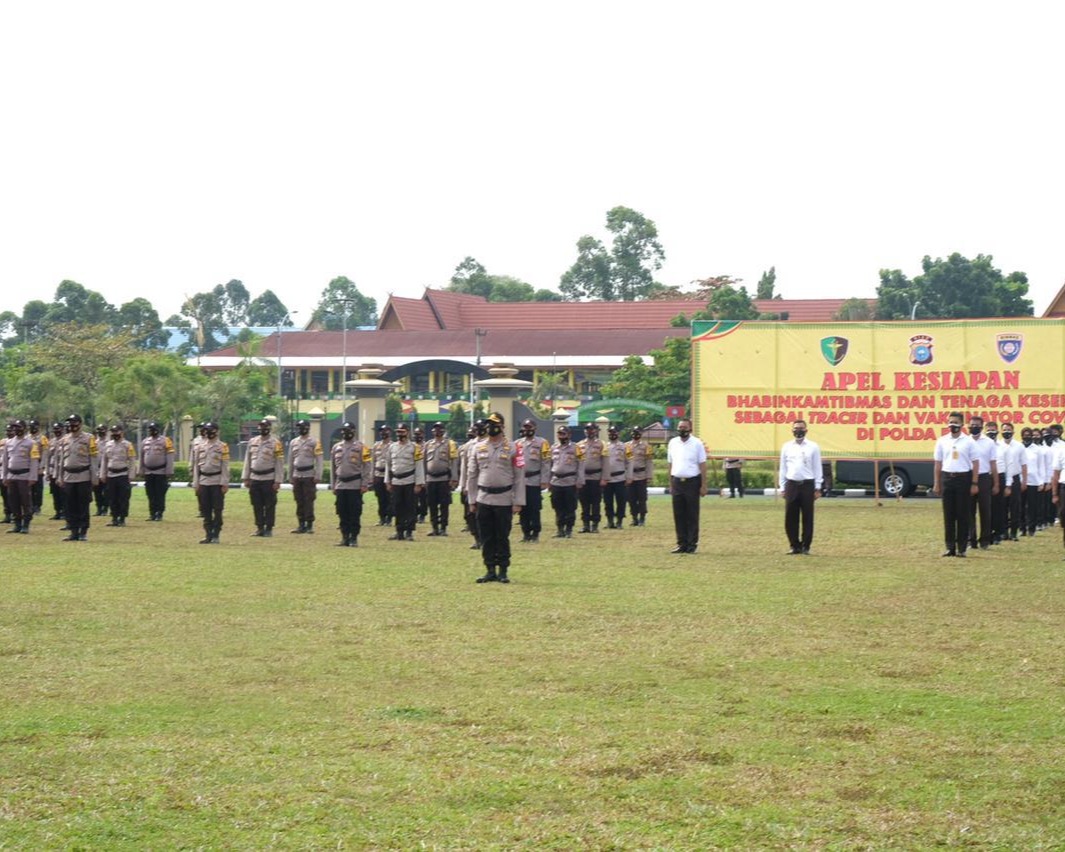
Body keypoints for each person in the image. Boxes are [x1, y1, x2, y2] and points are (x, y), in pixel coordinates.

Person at [465, 411, 524, 583]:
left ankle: (503, 570)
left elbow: (519, 476)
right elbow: (472, 475)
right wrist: (472, 500)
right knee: (486, 536)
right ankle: (490, 569)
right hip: (483, 498)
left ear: (502, 426)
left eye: (495, 424)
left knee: (502, 536)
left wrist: (518, 502)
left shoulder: (514, 448)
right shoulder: (478, 447)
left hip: (504, 498)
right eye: (488, 424)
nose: (491, 427)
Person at [932, 411, 978, 557]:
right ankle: (950, 547)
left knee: (962, 514)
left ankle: (962, 548)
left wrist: (974, 483)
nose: (953, 425)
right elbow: (938, 464)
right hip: (947, 478)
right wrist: (937, 483)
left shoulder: (969, 441)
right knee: (949, 514)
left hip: (963, 479)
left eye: (956, 422)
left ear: (962, 424)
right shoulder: (942, 441)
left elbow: (976, 463)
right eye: (950, 422)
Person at [778, 419, 823, 555]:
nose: (799, 430)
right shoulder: (786, 447)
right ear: (792, 430)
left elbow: (817, 468)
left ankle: (805, 546)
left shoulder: (813, 447)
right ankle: (794, 545)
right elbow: (783, 468)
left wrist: (817, 487)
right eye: (796, 428)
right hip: (791, 484)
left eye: (801, 428)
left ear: (806, 430)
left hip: (807, 485)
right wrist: (782, 486)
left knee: (807, 517)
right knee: (790, 517)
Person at [667, 419, 707, 554]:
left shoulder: (697, 443)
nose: (681, 429)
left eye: (684, 427)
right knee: (678, 514)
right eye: (679, 427)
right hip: (677, 482)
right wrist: (671, 484)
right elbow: (670, 464)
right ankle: (681, 543)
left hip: (692, 482)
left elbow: (702, 465)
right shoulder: (673, 443)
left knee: (692, 514)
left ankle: (691, 544)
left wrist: (703, 485)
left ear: (690, 429)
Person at [57, 414, 98, 542]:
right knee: (70, 506)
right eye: (69, 423)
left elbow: (94, 458)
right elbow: (61, 460)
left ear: (80, 423)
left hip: (83, 476)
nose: (72, 426)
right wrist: (59, 476)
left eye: (74, 423)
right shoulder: (64, 440)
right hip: (69, 476)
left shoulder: (89, 438)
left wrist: (94, 476)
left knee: (83, 505)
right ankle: (73, 532)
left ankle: (83, 532)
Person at [330, 421, 372, 547]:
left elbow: (367, 466)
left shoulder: (361, 447)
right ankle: (344, 537)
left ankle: (353, 537)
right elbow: (333, 468)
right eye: (343, 430)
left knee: (354, 512)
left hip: (355, 484)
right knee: (342, 511)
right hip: (341, 484)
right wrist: (333, 485)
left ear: (353, 431)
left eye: (347, 430)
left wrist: (364, 483)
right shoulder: (336, 447)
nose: (345, 433)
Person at [242, 418, 284, 537]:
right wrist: (246, 477)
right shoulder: (252, 441)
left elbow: (279, 462)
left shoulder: (276, 443)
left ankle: (269, 528)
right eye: (261, 426)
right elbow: (248, 460)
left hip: (269, 478)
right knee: (256, 504)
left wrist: (278, 480)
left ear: (269, 428)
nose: (263, 429)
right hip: (255, 477)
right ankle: (259, 527)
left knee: (270, 505)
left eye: (265, 427)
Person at [385, 423, 424, 541]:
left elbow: (419, 465)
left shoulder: (414, 447)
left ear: (407, 432)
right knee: (397, 506)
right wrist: (387, 481)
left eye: (402, 431)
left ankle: (409, 532)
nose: (399, 434)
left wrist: (419, 483)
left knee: (410, 507)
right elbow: (388, 465)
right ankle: (399, 531)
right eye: (398, 432)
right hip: (396, 481)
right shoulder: (392, 447)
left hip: (409, 481)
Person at [192, 421, 229, 544]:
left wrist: (224, 483)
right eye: (206, 430)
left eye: (211, 430)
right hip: (203, 481)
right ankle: (208, 534)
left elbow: (225, 466)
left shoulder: (222, 447)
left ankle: (216, 534)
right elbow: (196, 466)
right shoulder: (199, 446)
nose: (208, 432)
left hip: (216, 481)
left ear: (217, 431)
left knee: (217, 510)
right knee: (205, 510)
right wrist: (196, 483)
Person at [966, 415, 998, 550]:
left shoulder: (989, 442)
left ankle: (984, 540)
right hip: (967, 478)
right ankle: (970, 539)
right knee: (968, 511)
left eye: (977, 425)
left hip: (984, 478)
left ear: (981, 426)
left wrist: (996, 483)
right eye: (972, 425)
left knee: (985, 510)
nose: (974, 427)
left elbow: (993, 464)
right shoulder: (965, 441)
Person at [2, 419, 40, 534]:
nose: (16, 429)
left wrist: (33, 477)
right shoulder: (9, 442)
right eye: (15, 427)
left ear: (24, 428)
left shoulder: (31, 443)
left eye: (19, 427)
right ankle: (17, 524)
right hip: (12, 475)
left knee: (25, 501)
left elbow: (34, 461)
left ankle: (26, 524)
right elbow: (5, 461)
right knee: (13, 500)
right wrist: (5, 476)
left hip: (24, 475)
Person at [516, 418, 550, 542]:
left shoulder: (542, 443)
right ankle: (525, 533)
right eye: (525, 427)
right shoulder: (518, 443)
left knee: (534, 508)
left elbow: (546, 462)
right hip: (521, 481)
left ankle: (535, 533)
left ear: (535, 428)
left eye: (530, 427)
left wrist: (544, 480)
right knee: (523, 509)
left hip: (535, 480)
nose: (527, 429)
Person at [423, 421, 458, 537]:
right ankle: (434, 527)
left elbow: (454, 462)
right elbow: (423, 463)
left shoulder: (450, 444)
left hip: (443, 479)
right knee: (431, 504)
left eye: (439, 429)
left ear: (443, 431)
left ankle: (443, 528)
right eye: (435, 429)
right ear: (432, 431)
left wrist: (453, 478)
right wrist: (423, 479)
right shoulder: (428, 444)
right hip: (430, 479)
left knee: (444, 505)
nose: (437, 431)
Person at [288, 419, 323, 534]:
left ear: (307, 428)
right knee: (299, 500)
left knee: (309, 500)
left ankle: (309, 525)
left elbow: (319, 460)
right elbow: (290, 460)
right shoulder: (294, 442)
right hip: (297, 475)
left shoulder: (314, 442)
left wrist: (318, 475)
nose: (300, 429)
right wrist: (290, 475)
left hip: (309, 475)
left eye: (302, 427)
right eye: (298, 427)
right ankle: (301, 524)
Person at [99, 423, 135, 527]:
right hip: (111, 475)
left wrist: (131, 475)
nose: (115, 434)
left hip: (122, 474)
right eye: (113, 432)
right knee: (111, 497)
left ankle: (122, 518)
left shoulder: (128, 445)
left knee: (123, 498)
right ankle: (114, 518)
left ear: (122, 433)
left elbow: (132, 461)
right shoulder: (108, 444)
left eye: (117, 432)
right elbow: (104, 461)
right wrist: (102, 474)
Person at [139, 421, 175, 521]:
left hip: (161, 472)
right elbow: (142, 457)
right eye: (150, 429)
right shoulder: (145, 441)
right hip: (148, 472)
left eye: (153, 429)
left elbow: (170, 456)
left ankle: (159, 513)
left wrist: (169, 470)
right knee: (150, 493)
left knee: (160, 493)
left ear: (158, 430)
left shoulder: (166, 441)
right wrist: (141, 470)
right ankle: (152, 513)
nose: (152, 431)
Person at [548, 424, 579, 538]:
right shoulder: (553, 448)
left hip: (570, 481)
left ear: (569, 435)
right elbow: (550, 465)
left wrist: (579, 480)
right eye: (559, 434)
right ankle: (560, 529)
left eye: (564, 434)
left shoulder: (576, 448)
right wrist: (548, 481)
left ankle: (569, 529)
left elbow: (580, 465)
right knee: (558, 507)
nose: (561, 436)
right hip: (556, 481)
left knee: (570, 507)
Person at [601, 425, 632, 529]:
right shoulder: (604, 446)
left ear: (618, 433)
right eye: (610, 432)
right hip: (607, 479)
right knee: (607, 502)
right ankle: (610, 521)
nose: (612, 434)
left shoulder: (624, 447)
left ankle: (619, 521)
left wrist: (629, 477)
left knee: (621, 501)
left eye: (614, 432)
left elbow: (629, 462)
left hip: (620, 478)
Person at [999, 421, 1026, 542]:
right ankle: (1004, 532)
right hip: (1002, 478)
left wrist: (1024, 481)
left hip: (1015, 479)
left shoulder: (1019, 446)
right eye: (1004, 430)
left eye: (1009, 430)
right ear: (1001, 431)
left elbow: (1024, 465)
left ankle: (1014, 532)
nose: (1006, 432)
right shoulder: (998, 445)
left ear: (1013, 431)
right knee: (1002, 506)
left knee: (1015, 506)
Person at [576, 423, 604, 533]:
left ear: (596, 431)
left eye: (592, 430)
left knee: (596, 503)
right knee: (584, 503)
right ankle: (586, 525)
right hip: (583, 478)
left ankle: (595, 525)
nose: (590, 432)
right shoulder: (579, 445)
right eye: (587, 430)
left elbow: (605, 463)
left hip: (596, 477)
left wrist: (604, 478)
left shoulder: (602, 444)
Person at [626, 426, 653, 526]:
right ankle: (634, 518)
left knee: (642, 498)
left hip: (641, 476)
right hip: (630, 476)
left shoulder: (646, 446)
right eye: (634, 432)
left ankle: (642, 518)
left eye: (638, 432)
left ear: (641, 434)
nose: (636, 434)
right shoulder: (626, 446)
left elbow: (649, 462)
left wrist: (649, 476)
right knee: (631, 498)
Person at [371, 426, 393, 526]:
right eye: (381, 431)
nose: (383, 433)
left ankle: (389, 518)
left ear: (390, 432)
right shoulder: (376, 445)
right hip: (378, 474)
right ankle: (382, 518)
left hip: (389, 475)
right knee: (380, 498)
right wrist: (371, 476)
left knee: (389, 498)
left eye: (385, 431)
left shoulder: (393, 445)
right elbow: (373, 461)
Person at [47, 422, 66, 521]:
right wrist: (47, 471)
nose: (56, 431)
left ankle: (64, 511)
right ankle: (57, 511)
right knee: (55, 492)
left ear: (63, 429)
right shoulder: (51, 441)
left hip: (61, 470)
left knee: (63, 492)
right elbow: (47, 457)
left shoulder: (66, 440)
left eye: (58, 429)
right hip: (52, 470)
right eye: (55, 429)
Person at [28, 419, 47, 515]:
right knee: (29, 488)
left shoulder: (42, 438)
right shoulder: (27, 438)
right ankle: (30, 506)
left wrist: (42, 466)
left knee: (38, 488)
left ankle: (37, 507)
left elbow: (44, 453)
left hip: (38, 464)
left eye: (34, 426)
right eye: (31, 426)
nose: (32, 428)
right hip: (29, 465)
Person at [92, 423, 110, 517]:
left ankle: (105, 508)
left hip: (107, 469)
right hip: (96, 468)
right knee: (97, 490)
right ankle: (99, 508)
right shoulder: (94, 443)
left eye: (102, 430)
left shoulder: (109, 442)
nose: (100, 432)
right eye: (99, 430)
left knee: (106, 491)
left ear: (106, 431)